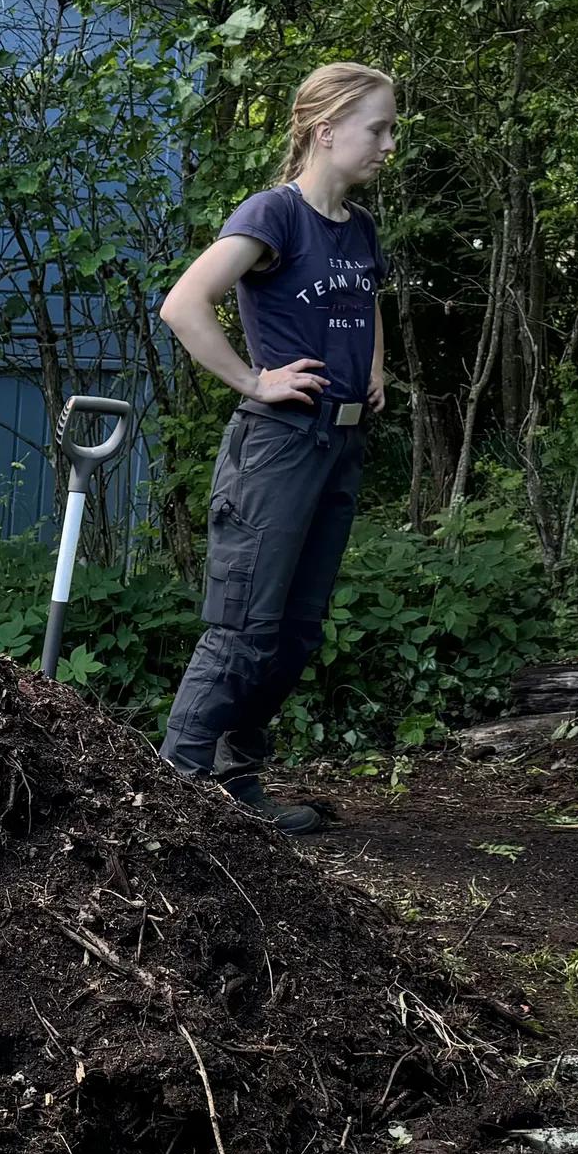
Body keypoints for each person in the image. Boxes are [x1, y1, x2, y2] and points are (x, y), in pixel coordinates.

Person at [155, 62, 397, 835]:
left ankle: (237, 784)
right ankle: (174, 795)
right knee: (245, 628)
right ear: (326, 132)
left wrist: (375, 370)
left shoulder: (357, 228)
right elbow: (184, 304)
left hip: (338, 447)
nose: (389, 144)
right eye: (378, 129)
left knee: (295, 634)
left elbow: (367, 301)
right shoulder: (274, 215)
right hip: (278, 448)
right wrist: (253, 381)